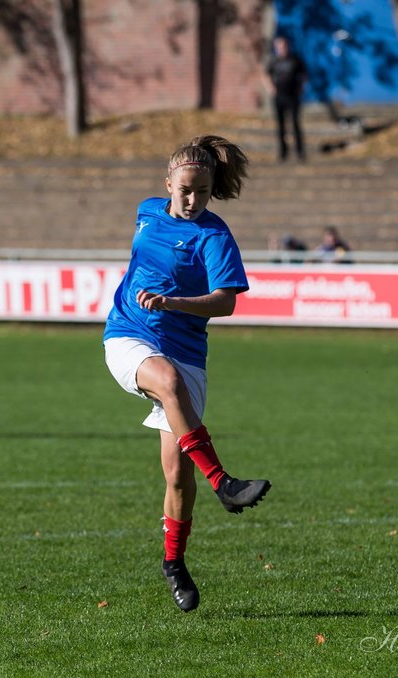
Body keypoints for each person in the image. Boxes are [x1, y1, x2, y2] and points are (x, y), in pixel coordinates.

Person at [103, 135, 272, 613]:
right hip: (128, 336)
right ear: (167, 185)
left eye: (202, 190)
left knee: (177, 476)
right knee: (167, 383)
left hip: (187, 352)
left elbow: (226, 302)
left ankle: (173, 564)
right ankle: (224, 483)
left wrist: (174, 301)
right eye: (185, 189)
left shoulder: (215, 237)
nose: (193, 199)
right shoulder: (147, 210)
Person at [264, 35, 307, 162]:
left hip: (293, 96)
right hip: (279, 97)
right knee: (281, 125)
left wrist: (301, 87)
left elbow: (304, 74)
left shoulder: (295, 60)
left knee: (295, 124)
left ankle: (300, 152)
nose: (282, 49)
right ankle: (283, 153)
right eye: (280, 47)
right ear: (276, 48)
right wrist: (270, 88)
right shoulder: (273, 61)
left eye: (284, 46)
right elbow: (265, 75)